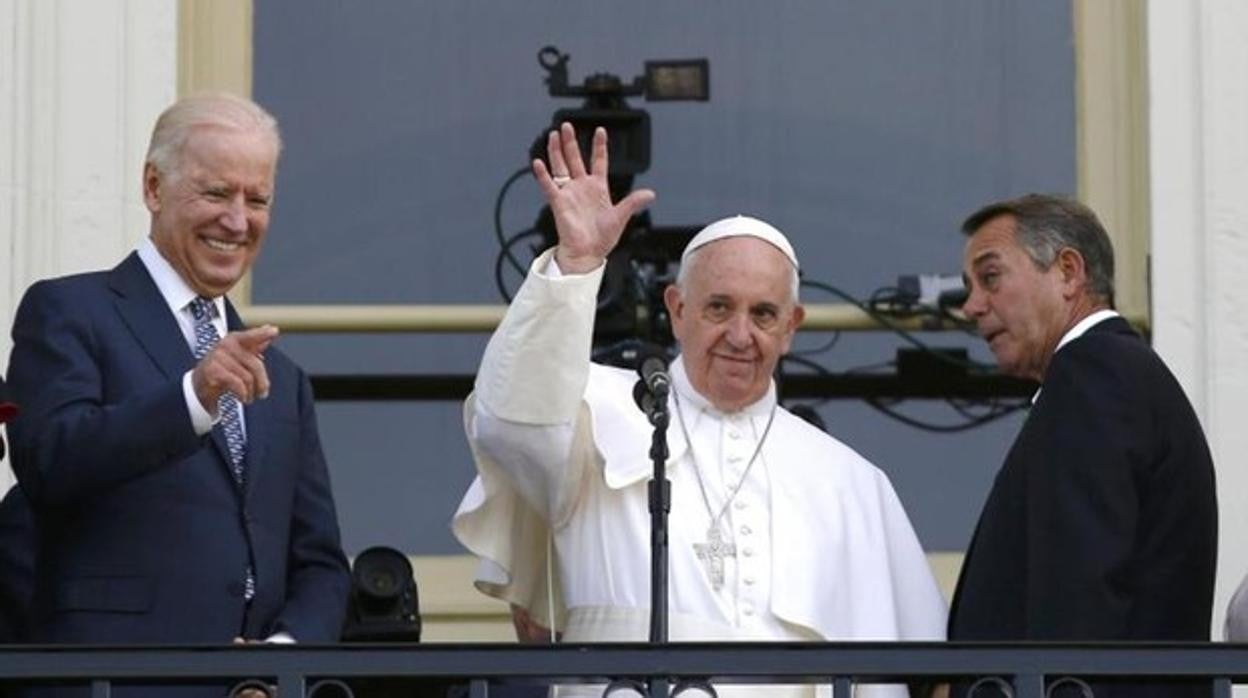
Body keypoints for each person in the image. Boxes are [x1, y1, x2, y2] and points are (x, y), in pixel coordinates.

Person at [453, 123, 946, 697]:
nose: (740, 334)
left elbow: (908, 673)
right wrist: (576, 264)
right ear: (677, 308)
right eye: (718, 307)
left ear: (792, 328)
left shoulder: (854, 485)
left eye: (763, 314)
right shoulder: (594, 409)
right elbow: (509, 424)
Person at [4, 93, 350, 693]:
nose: (238, 221)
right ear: (154, 187)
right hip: (111, 684)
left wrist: (281, 655)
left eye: (257, 199)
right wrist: (193, 396)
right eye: (216, 194)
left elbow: (319, 563)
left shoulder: (282, 379)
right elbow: (49, 458)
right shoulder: (70, 312)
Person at [948, 194, 1217, 697]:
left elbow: (1079, 596)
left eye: (991, 277)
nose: (972, 305)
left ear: (1068, 272)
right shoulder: (1113, 373)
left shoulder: (1095, 373)